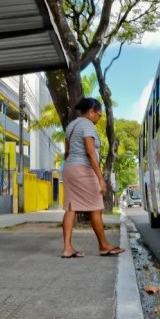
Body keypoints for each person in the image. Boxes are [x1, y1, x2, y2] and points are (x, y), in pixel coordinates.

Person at [61, 98, 125, 258]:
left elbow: (67, 152)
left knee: (71, 208)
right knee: (96, 207)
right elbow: (90, 152)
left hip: (69, 169)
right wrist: (101, 179)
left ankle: (67, 248)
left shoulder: (71, 126)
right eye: (99, 114)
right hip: (83, 170)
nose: (99, 118)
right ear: (91, 112)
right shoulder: (87, 125)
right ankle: (103, 245)